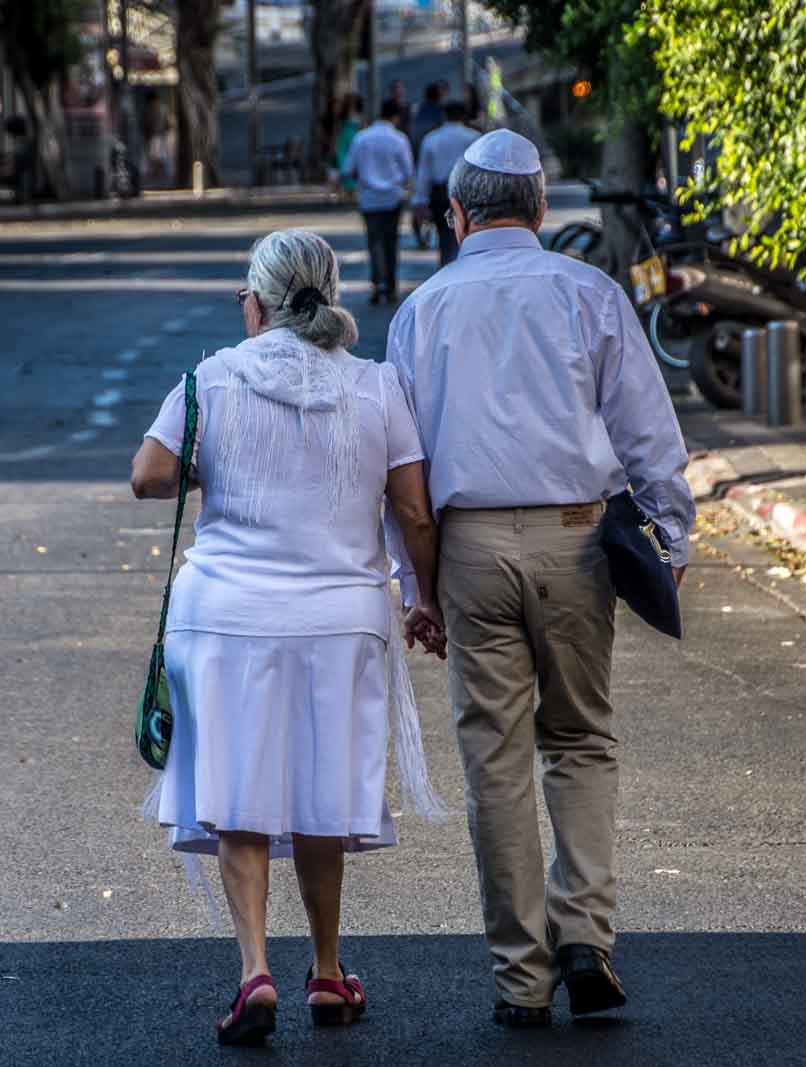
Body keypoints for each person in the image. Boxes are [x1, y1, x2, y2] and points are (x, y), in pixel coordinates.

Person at [384, 130, 695, 1029]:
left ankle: (520, 977)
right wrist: (671, 532)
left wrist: (420, 585)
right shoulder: (586, 291)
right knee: (581, 738)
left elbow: (405, 469)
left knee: (495, 762)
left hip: (470, 548)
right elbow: (647, 427)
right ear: (541, 209)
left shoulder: (423, 310)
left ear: (456, 215)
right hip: (577, 541)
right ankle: (586, 938)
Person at [131, 229, 449, 1047]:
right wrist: (426, 599)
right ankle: (330, 969)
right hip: (340, 619)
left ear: (255, 301)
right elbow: (414, 510)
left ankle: (253, 971)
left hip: (227, 615)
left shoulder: (211, 379)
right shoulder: (376, 386)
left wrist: (216, 461)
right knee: (321, 787)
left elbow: (149, 475)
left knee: (237, 791)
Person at [342, 100, 414, 305]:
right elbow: (408, 171)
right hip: (392, 197)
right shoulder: (399, 139)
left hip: (368, 198)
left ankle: (376, 284)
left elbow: (348, 168)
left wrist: (362, 179)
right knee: (391, 241)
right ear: (396, 117)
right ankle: (391, 285)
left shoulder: (361, 138)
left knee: (374, 241)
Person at [412, 100, 480, 267]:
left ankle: (447, 268)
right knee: (467, 237)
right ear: (463, 116)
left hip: (441, 193)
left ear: (444, 116)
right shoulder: (473, 137)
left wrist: (420, 201)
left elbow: (424, 173)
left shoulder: (432, 138)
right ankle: (463, 268)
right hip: (467, 192)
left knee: (444, 236)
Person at [334, 92, 366, 194]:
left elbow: (364, 130)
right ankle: (348, 188)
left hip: (355, 141)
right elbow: (338, 132)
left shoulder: (361, 118)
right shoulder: (342, 118)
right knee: (344, 164)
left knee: (355, 164)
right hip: (344, 143)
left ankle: (353, 189)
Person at [409, 82, 446, 154]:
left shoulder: (416, 108)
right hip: (433, 148)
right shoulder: (440, 111)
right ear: (438, 96)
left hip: (416, 146)